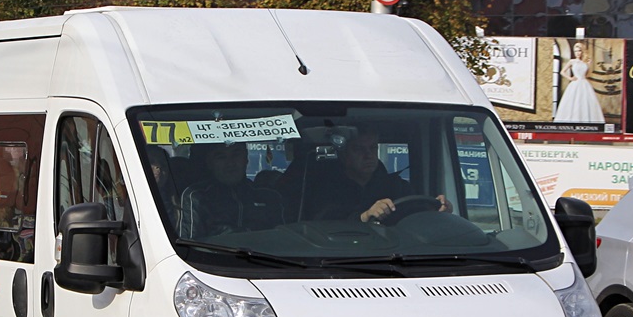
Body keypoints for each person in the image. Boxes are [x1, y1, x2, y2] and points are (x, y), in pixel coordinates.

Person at [309, 129, 447, 223]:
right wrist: (365, 216)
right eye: (358, 149)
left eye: (373, 148)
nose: (368, 155)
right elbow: (322, 224)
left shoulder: (397, 186)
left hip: (397, 255)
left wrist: (436, 208)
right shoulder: (326, 188)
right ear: (344, 155)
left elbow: (417, 215)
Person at [177, 142, 284, 238]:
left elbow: (282, 240)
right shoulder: (197, 197)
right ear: (210, 163)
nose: (230, 163)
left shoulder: (268, 197)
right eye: (221, 157)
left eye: (236, 155)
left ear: (246, 158)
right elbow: (190, 244)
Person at [553, 41, 605, 123]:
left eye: (579, 51)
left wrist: (589, 65)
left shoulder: (586, 62)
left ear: (582, 51)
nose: (577, 53)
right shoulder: (572, 61)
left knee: (585, 103)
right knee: (573, 103)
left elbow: (587, 74)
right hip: (575, 83)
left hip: (584, 83)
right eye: (576, 51)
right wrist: (570, 78)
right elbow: (562, 72)